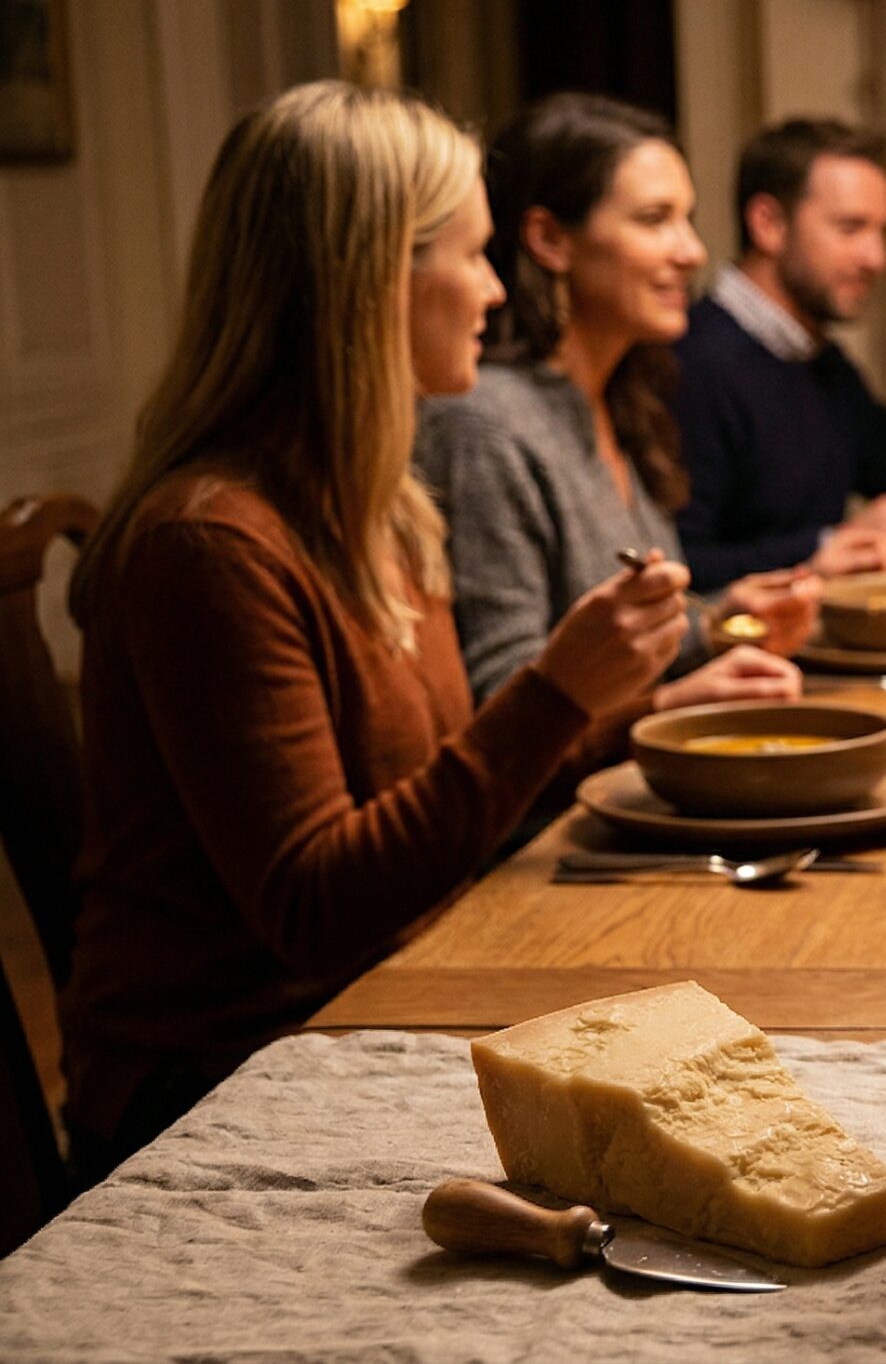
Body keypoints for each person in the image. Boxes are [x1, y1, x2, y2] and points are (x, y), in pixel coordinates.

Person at [58, 83, 691, 1177]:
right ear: (370, 279)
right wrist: (556, 692)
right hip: (225, 1077)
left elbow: (442, 797)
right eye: (474, 256)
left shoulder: (383, 507)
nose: (498, 292)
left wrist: (636, 706)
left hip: (386, 995)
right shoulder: (208, 545)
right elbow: (317, 907)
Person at [414, 93, 814, 709]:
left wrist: (715, 625)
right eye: (655, 220)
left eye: (687, 219)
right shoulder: (484, 423)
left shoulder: (626, 396)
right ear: (550, 239)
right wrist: (668, 706)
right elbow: (502, 698)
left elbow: (620, 665)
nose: (693, 251)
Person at [670, 118, 886, 589]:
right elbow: (677, 566)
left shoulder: (818, 361)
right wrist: (823, 547)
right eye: (851, 227)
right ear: (769, 224)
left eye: (881, 231)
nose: (877, 257)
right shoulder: (693, 363)